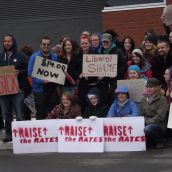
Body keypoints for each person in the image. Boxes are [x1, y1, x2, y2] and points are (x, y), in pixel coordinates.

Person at [0, 34, 28, 142]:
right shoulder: (1, 57)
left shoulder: (21, 56)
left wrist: (19, 72)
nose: (6, 43)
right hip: (3, 91)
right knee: (6, 114)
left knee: (19, 113)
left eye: (9, 41)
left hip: (17, 90)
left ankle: (21, 135)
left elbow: (27, 70)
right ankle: (9, 134)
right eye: (5, 41)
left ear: (13, 42)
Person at [28, 36, 59, 120]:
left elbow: (57, 71)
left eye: (48, 44)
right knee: (41, 112)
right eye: (44, 44)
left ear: (50, 45)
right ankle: (40, 131)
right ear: (40, 45)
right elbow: (30, 73)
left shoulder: (54, 57)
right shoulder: (34, 57)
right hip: (40, 90)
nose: (46, 46)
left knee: (52, 111)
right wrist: (41, 81)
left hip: (52, 89)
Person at [140, 78, 169, 149]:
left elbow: (160, 116)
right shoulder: (143, 99)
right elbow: (141, 114)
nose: (148, 89)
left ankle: (160, 140)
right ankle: (151, 141)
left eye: (151, 87)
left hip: (159, 124)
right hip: (147, 122)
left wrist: (147, 122)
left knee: (147, 129)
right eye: (147, 87)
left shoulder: (162, 99)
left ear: (156, 87)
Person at [99, 33, 127, 105]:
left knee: (114, 101)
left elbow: (124, 66)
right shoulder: (100, 52)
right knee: (105, 102)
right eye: (103, 42)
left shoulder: (118, 51)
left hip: (115, 83)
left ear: (111, 42)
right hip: (104, 83)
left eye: (107, 42)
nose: (105, 43)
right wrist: (98, 75)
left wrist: (116, 74)